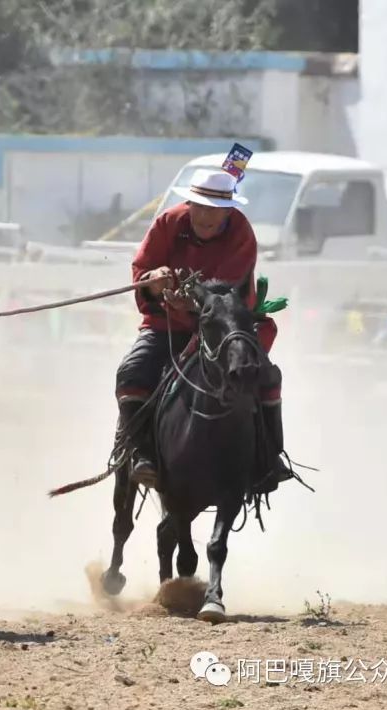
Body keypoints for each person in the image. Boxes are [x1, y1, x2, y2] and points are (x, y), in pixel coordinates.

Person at [114, 167, 291, 493]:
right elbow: (142, 268)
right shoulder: (168, 223)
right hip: (166, 323)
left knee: (267, 376)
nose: (206, 216)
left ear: (229, 210)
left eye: (215, 209)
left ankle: (270, 457)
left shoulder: (241, 233)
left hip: (223, 327)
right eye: (200, 207)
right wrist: (154, 280)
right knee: (131, 371)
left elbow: (227, 292)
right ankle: (139, 454)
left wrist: (194, 304)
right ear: (189, 205)